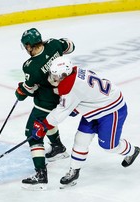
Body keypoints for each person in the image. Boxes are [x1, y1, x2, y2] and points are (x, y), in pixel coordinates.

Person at [32, 56, 140, 188]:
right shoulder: (76, 72)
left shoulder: (69, 87)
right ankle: (74, 171)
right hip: (94, 108)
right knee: (80, 139)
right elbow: (86, 92)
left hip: (111, 110)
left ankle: (132, 151)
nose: (53, 78)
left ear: (64, 75)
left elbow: (61, 112)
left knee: (109, 146)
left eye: (56, 76)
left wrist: (44, 125)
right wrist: (76, 108)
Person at [15, 28, 75, 189]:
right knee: (49, 121)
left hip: (46, 101)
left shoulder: (30, 66)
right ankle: (58, 147)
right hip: (66, 95)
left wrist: (20, 91)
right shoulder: (54, 44)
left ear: (29, 46)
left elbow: (30, 89)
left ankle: (41, 175)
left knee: (32, 133)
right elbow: (70, 46)